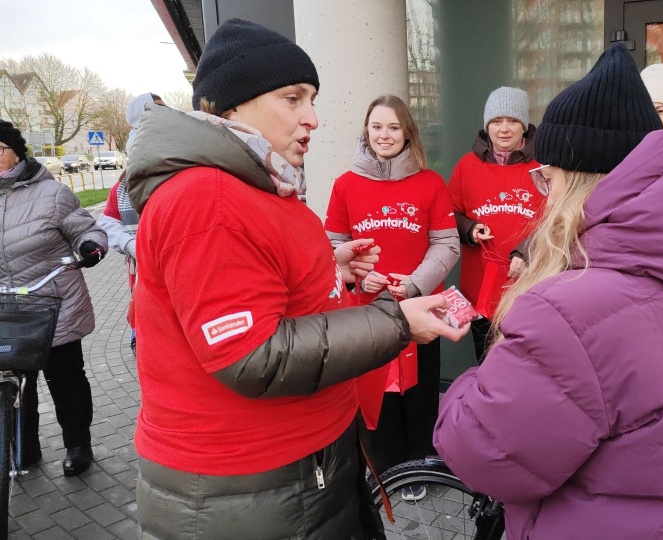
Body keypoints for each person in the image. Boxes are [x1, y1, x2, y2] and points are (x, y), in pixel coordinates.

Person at [126, 19, 467, 539]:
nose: (313, 118)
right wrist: (397, 322)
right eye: (293, 99)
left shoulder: (255, 187)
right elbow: (252, 354)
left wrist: (330, 269)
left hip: (296, 473)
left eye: (312, 99)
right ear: (232, 107)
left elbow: (266, 287)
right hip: (250, 486)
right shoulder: (208, 199)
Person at [434, 44, 663, 539]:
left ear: (576, 183)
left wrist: (475, 382)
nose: (545, 195)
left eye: (548, 179)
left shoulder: (569, 311)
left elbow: (484, 452)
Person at [325, 94, 460, 499]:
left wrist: (415, 283)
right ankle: (384, 467)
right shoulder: (345, 185)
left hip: (420, 303)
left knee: (419, 393)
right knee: (375, 390)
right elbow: (332, 245)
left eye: (394, 127)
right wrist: (357, 278)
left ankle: (419, 463)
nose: (384, 135)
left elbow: (447, 244)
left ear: (408, 133)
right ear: (366, 131)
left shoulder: (431, 182)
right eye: (377, 126)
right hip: (366, 311)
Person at [0, 120, 107, 476]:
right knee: (16, 384)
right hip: (9, 309)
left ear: (17, 152)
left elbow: (86, 229)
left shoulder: (52, 193)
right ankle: (23, 448)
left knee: (65, 380)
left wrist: (90, 247)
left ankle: (78, 445)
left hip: (53, 304)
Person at [448, 86, 545, 361]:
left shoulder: (543, 167)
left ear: (524, 125)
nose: (504, 129)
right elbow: (448, 215)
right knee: (487, 363)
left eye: (512, 120)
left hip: (529, 287)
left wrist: (527, 251)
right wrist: (469, 229)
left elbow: (558, 219)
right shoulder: (466, 166)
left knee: (526, 365)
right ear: (486, 125)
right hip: (481, 289)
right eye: (496, 121)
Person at [97, 92, 166, 354]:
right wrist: (132, 245)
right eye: (154, 110)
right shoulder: (124, 187)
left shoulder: (185, 170)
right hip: (143, 276)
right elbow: (108, 221)